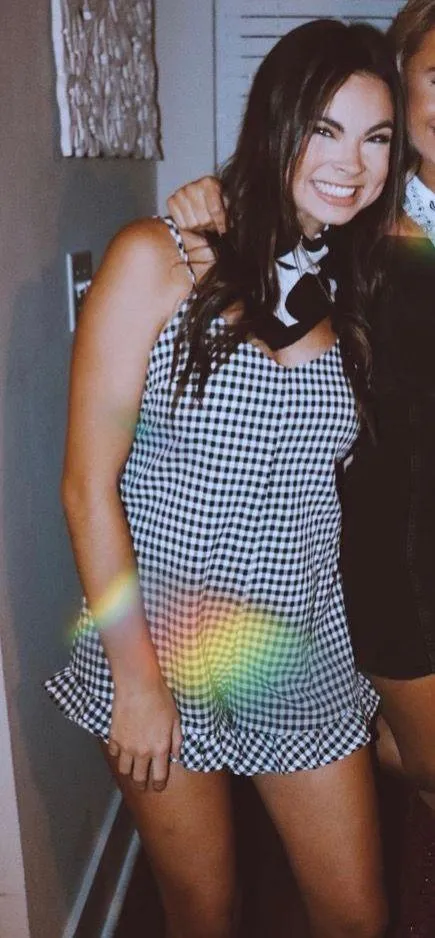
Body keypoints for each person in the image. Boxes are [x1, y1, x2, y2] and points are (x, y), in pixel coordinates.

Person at [45, 20, 406, 938]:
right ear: (276, 122)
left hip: (301, 648)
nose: (350, 163)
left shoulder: (349, 284)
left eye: (374, 137)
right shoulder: (156, 257)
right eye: (324, 129)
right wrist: (136, 683)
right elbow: (87, 487)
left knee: (355, 917)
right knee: (204, 912)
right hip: (159, 646)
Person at [167, 3, 435, 936]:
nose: (348, 157)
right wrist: (210, 224)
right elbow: (279, 331)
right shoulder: (351, 237)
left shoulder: (352, 229)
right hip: (391, 569)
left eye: (367, 138)